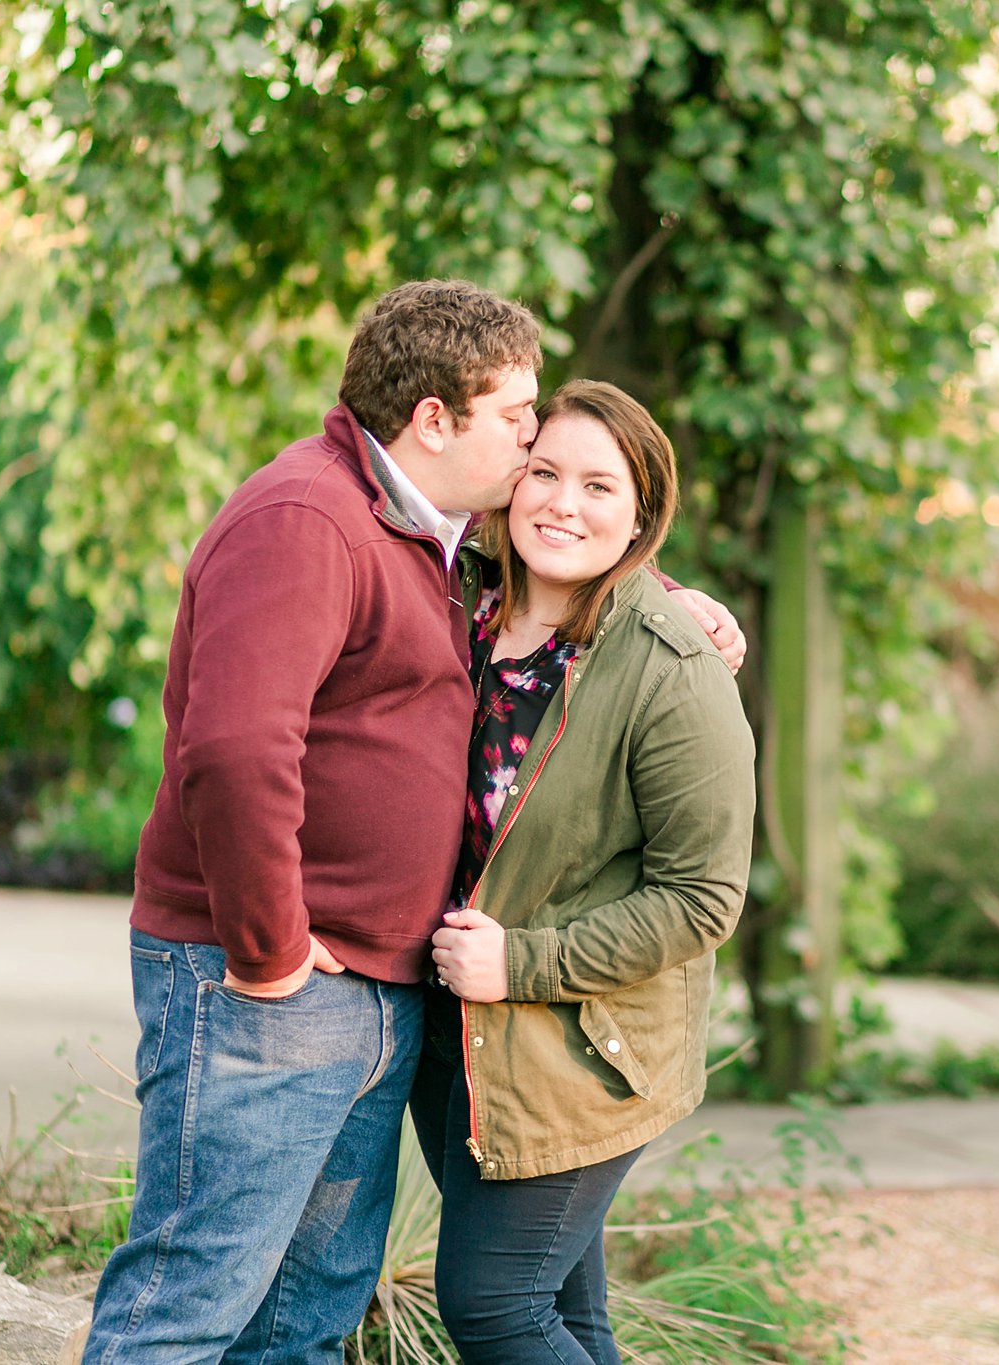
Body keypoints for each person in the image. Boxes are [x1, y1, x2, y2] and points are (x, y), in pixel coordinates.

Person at [82, 283, 741, 1365]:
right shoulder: (313, 519)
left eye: (551, 440)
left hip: (405, 1000)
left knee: (307, 1316)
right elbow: (236, 752)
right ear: (435, 421)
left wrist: (670, 595)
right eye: (518, 424)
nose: (533, 451)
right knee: (192, 1308)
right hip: (276, 989)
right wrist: (269, 950)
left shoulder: (434, 540)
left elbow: (575, 546)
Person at [411, 380, 756, 1365]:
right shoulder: (463, 599)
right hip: (461, 1032)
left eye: (598, 486)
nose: (563, 503)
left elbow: (701, 898)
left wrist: (518, 966)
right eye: (545, 473)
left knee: (493, 1305)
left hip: (580, 1041)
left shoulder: (670, 663)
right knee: (565, 1314)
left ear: (640, 515)